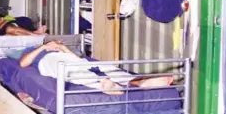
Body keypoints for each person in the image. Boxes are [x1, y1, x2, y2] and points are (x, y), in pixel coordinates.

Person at [19, 41, 174, 95]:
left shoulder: (55, 46)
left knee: (104, 67)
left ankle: (136, 81)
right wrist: (43, 47)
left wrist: (60, 46)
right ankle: (103, 85)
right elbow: (23, 64)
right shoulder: (32, 51)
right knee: (72, 73)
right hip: (48, 62)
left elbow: (75, 57)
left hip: (69, 58)